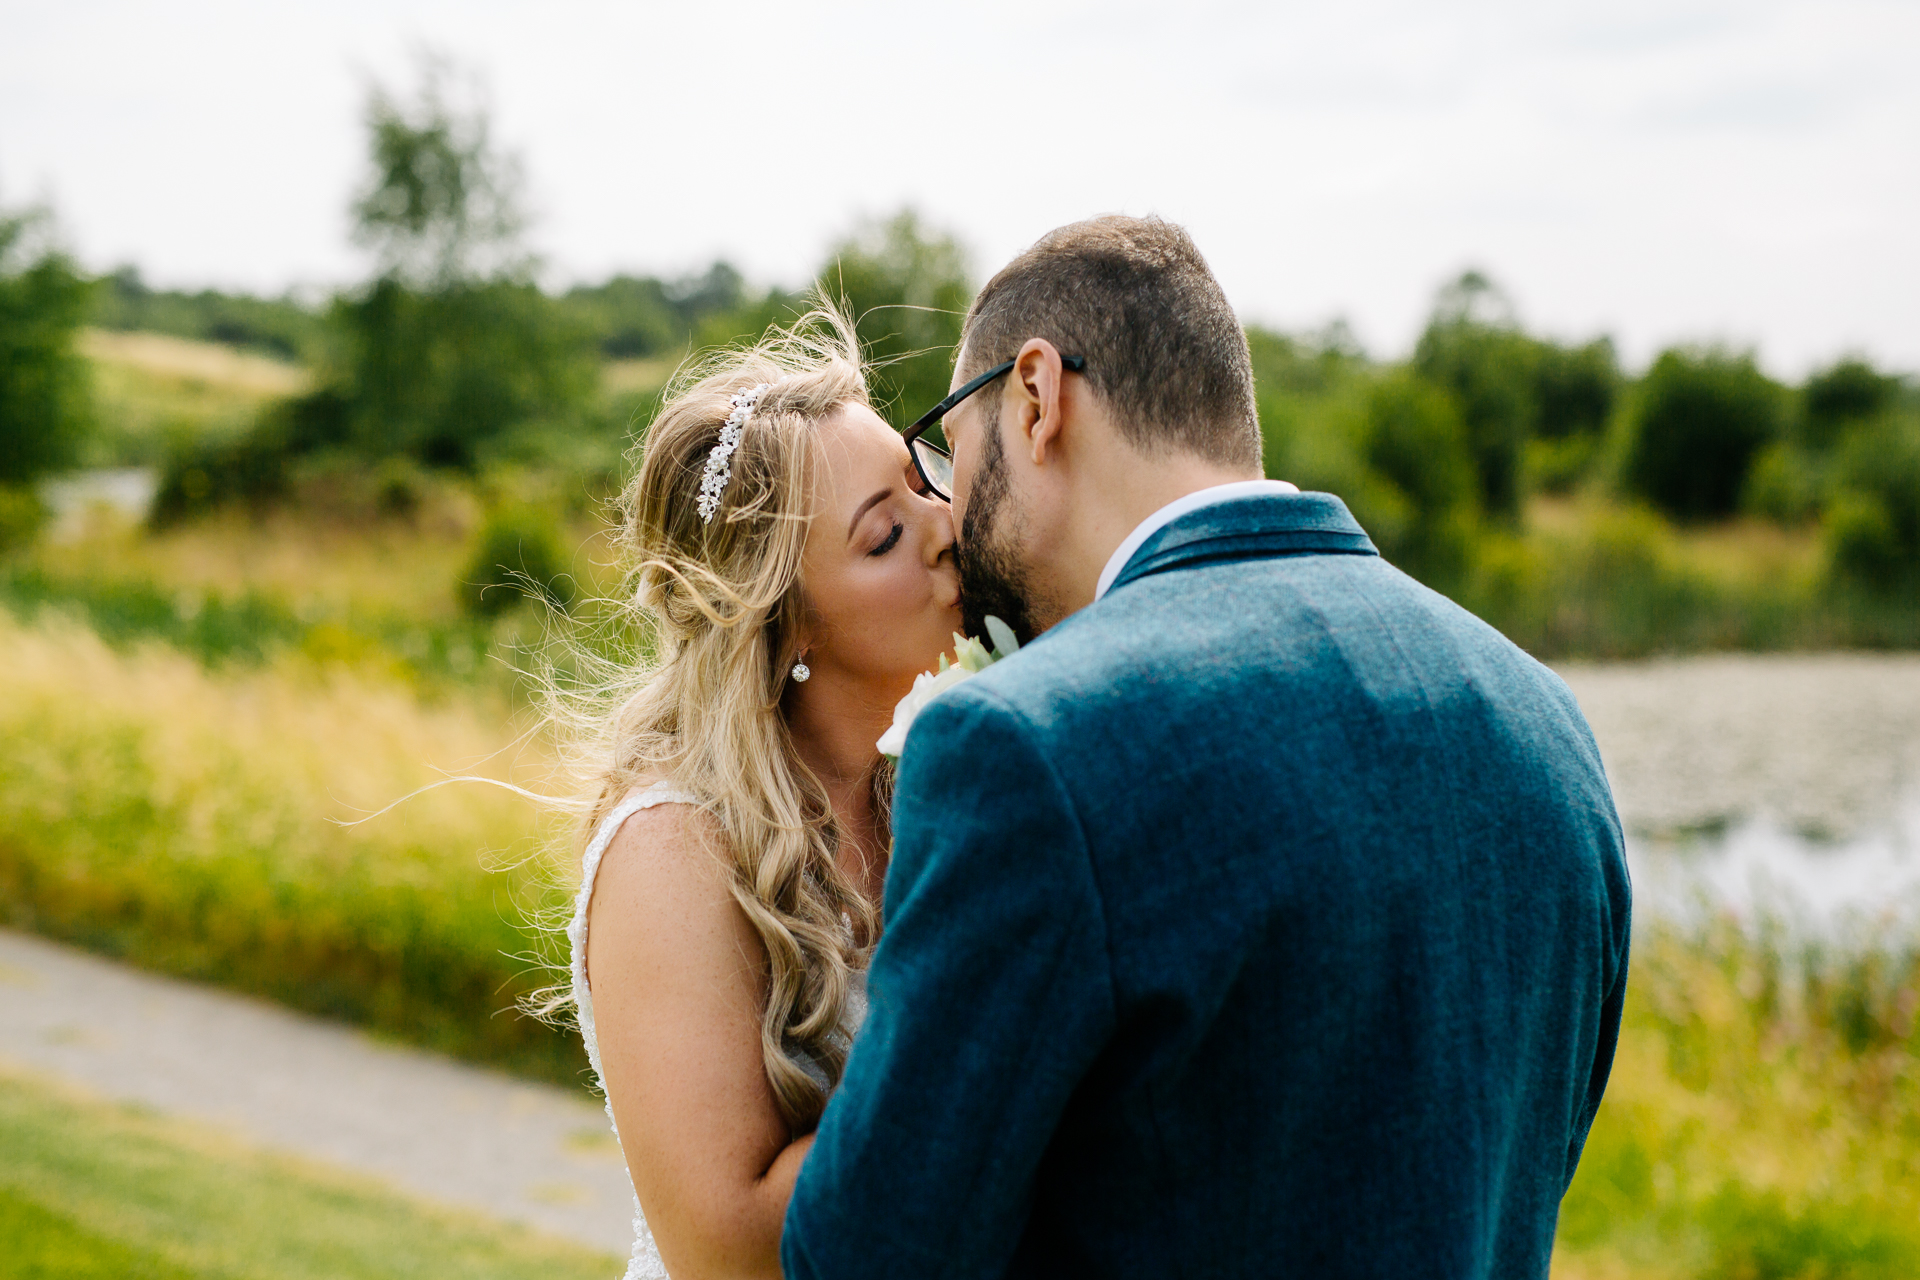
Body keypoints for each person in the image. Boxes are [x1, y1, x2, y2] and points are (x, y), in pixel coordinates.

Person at [783, 216, 1632, 1278]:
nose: (952, 506)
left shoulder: (1025, 748)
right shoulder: (1544, 722)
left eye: (952, 444)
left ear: (1037, 396)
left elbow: (867, 1255)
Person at [563, 311, 959, 1279]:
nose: (949, 525)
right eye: (885, 534)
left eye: (925, 479)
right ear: (785, 627)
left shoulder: (932, 794)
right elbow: (727, 1245)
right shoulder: (675, 848)